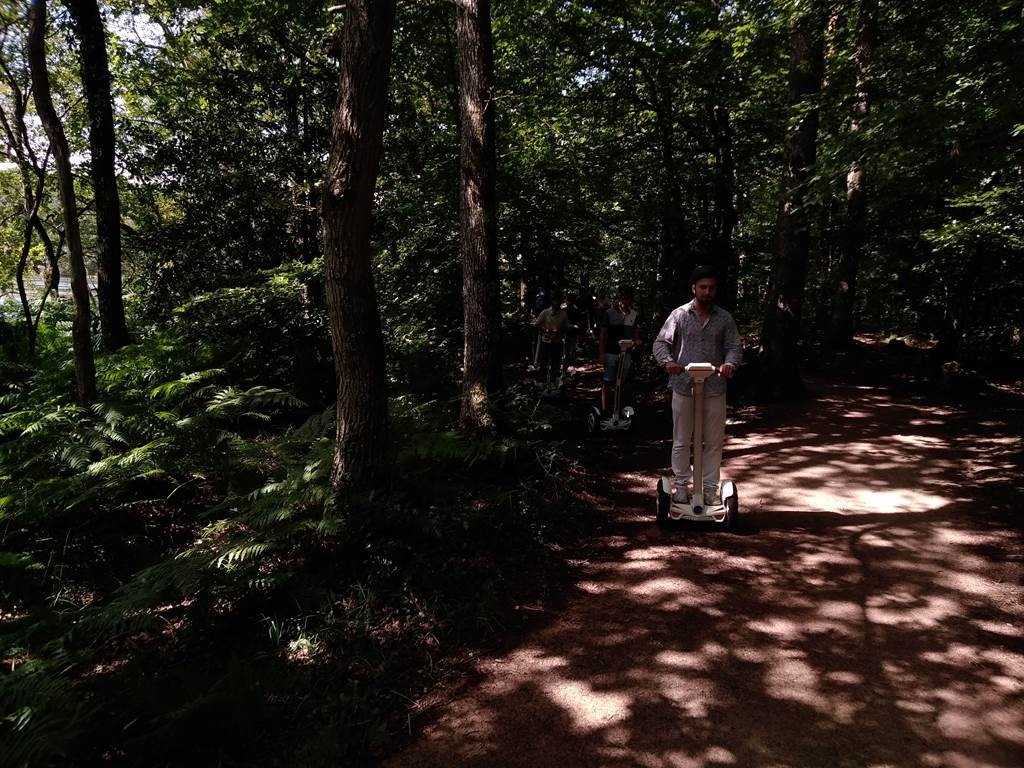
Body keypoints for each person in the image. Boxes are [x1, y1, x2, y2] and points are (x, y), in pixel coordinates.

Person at [652, 266, 741, 504]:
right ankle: (681, 486)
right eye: (703, 287)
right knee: (682, 440)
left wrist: (730, 364)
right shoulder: (679, 315)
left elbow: (734, 346)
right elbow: (661, 342)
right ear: (694, 288)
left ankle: (709, 490)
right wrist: (668, 361)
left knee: (713, 442)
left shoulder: (724, 318)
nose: (707, 292)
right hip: (683, 385)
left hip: (714, 387)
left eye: (711, 288)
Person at [599, 285, 639, 413]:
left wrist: (636, 342)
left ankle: (617, 409)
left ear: (630, 299)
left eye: (626, 298)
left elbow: (635, 333)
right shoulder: (609, 313)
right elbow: (603, 334)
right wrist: (601, 353)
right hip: (611, 352)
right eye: (621, 298)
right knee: (607, 381)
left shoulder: (634, 314)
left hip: (626, 353)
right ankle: (605, 410)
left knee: (620, 382)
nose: (623, 301)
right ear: (617, 299)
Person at [534, 291, 570, 384]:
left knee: (556, 362)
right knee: (544, 362)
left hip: (557, 341)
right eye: (555, 301)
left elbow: (567, 327)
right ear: (552, 301)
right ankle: (542, 382)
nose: (557, 303)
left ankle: (554, 382)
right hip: (546, 341)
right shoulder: (545, 312)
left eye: (559, 301)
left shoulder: (563, 314)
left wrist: (559, 331)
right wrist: (545, 330)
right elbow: (537, 325)